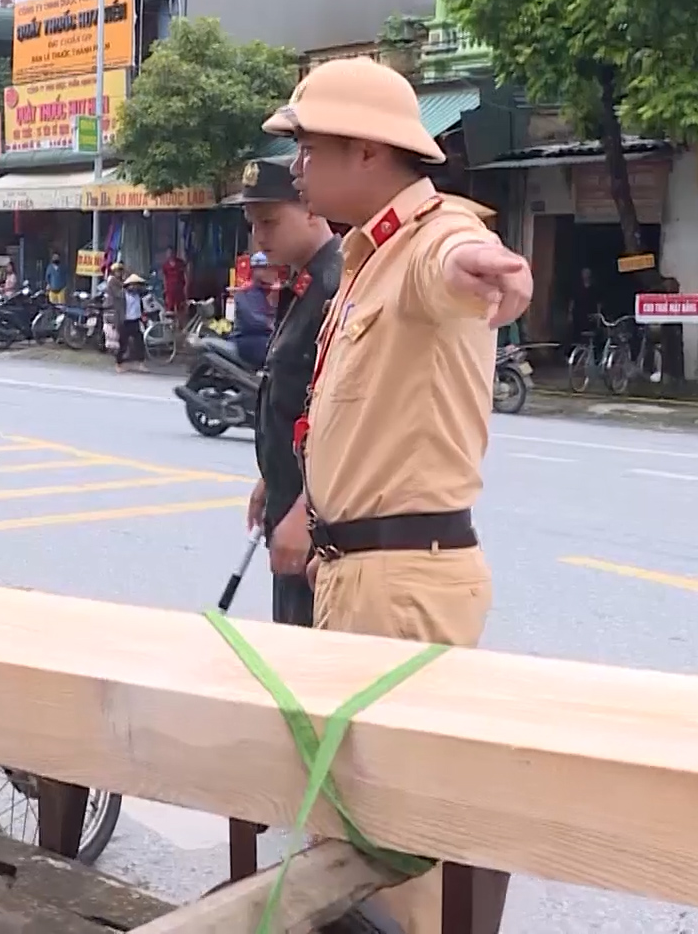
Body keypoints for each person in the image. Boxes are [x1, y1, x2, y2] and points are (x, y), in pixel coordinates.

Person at [263, 56, 531, 933]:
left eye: (308, 148)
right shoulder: (364, 254)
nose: (297, 169)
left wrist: (489, 271)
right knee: (356, 832)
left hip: (402, 582)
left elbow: (465, 264)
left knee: (397, 857)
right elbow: (352, 415)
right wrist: (305, 502)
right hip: (361, 574)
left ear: (369, 152)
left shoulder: (430, 237)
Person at [238, 156, 342, 628]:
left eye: (271, 222)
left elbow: (341, 416)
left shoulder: (335, 286)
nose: (260, 236)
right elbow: (296, 401)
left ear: (312, 210)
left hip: (319, 521)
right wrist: (272, 476)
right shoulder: (302, 284)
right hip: (293, 499)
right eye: (253, 223)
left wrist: (304, 507)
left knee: (308, 665)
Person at [231, 253, 276, 369]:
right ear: (254, 271)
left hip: (266, 337)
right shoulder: (245, 291)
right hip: (248, 338)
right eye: (263, 268)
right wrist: (270, 324)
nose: (267, 272)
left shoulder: (270, 291)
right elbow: (250, 319)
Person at [115, 271, 148, 373]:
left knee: (140, 342)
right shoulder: (122, 295)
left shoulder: (138, 295)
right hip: (125, 322)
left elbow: (145, 291)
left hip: (135, 321)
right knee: (123, 344)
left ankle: (140, 364)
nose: (135, 287)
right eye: (133, 285)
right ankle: (118, 363)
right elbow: (118, 309)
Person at [161, 247, 187, 326]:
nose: (170, 255)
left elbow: (185, 275)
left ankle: (181, 324)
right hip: (170, 289)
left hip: (179, 289)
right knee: (170, 308)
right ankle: (171, 325)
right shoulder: (165, 265)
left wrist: (186, 286)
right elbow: (164, 277)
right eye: (168, 253)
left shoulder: (180, 263)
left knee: (180, 307)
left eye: (171, 253)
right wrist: (165, 288)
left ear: (174, 253)